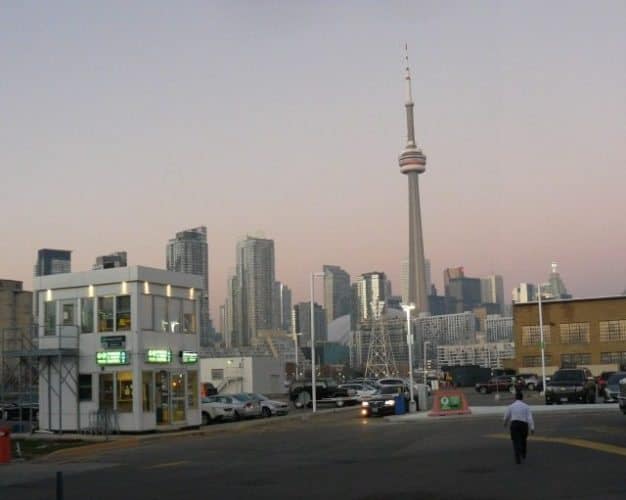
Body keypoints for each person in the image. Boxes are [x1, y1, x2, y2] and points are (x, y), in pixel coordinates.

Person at [503, 391, 535, 464]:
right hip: (524, 425)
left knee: (515, 441)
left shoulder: (511, 406)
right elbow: (530, 418)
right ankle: (523, 452)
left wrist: (505, 424)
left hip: (514, 424)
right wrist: (532, 428)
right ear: (522, 398)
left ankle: (517, 457)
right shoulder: (526, 406)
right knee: (523, 440)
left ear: (515, 398)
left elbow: (506, 417)